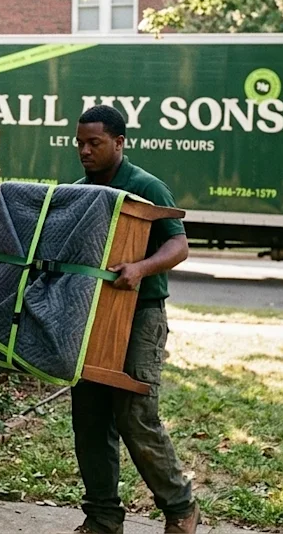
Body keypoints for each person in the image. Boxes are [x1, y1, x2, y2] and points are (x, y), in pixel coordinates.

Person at [70, 104, 199, 534]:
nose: (85, 151)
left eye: (95, 143)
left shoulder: (147, 187)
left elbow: (179, 247)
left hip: (140, 316)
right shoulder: (78, 191)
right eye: (80, 143)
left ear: (119, 143)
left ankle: (181, 508)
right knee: (89, 418)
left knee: (134, 415)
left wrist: (140, 269)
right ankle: (103, 519)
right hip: (91, 316)